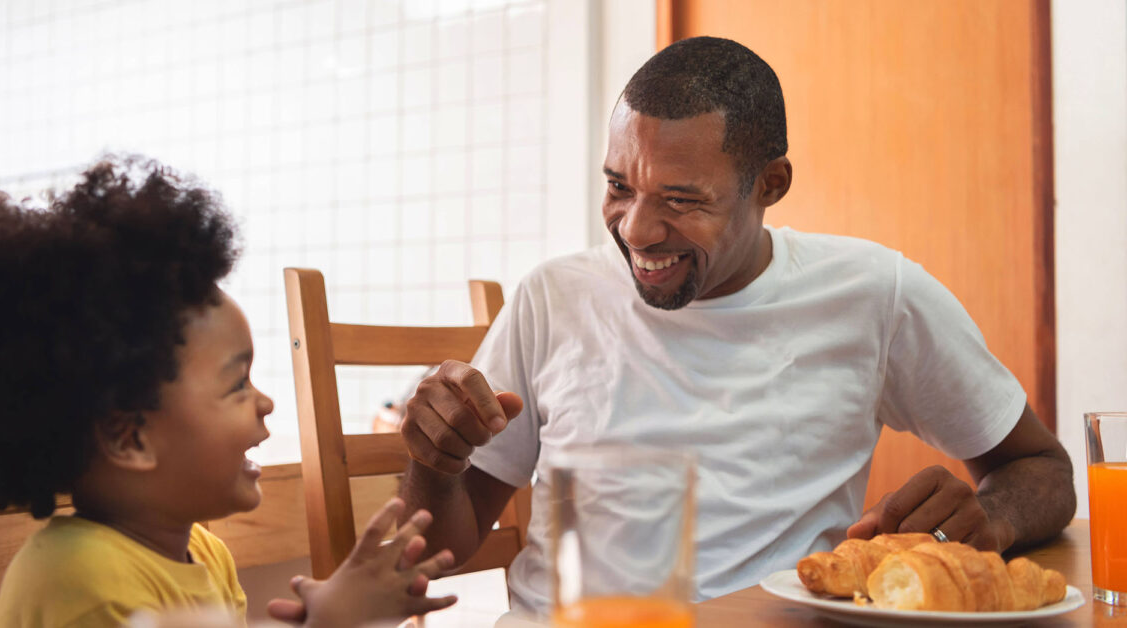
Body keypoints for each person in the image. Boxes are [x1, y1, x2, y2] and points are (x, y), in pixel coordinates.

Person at [396, 36, 1076, 614]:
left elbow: (1040, 467)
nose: (636, 230)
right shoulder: (554, 296)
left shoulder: (875, 294)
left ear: (771, 184)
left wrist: (991, 518)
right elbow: (438, 554)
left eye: (681, 199)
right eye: (619, 186)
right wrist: (437, 462)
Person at [0, 157, 457, 627]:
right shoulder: (80, 582)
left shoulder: (202, 551)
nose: (266, 402)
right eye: (236, 384)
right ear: (130, 437)